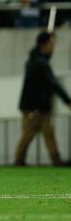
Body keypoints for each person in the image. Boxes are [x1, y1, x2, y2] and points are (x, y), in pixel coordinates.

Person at [15, 31, 71, 167]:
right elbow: (53, 83)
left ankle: (56, 160)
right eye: (51, 44)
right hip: (34, 107)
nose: (53, 47)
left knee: (48, 133)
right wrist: (68, 101)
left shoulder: (34, 61)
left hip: (40, 106)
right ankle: (19, 160)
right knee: (28, 134)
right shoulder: (40, 63)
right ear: (44, 45)